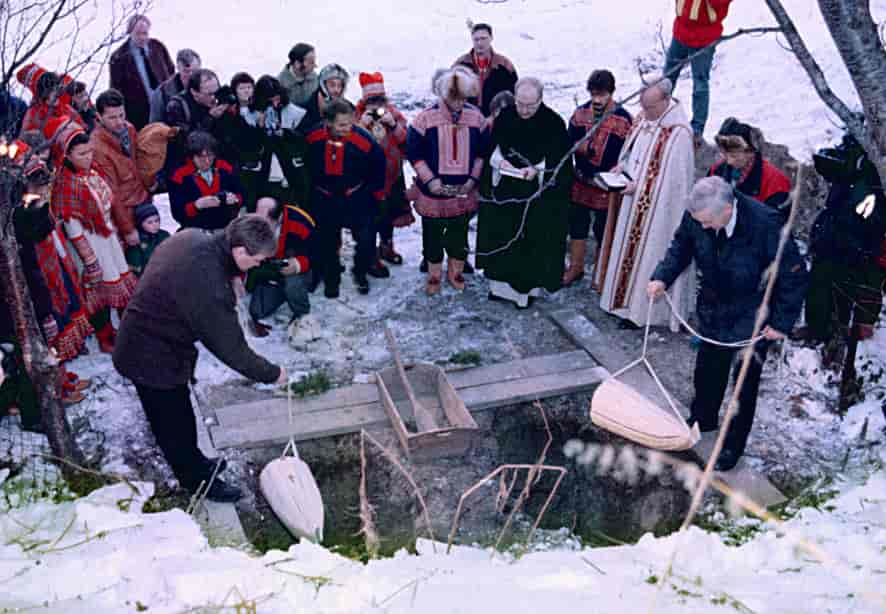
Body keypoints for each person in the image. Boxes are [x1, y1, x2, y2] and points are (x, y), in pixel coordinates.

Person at [113, 215, 288, 502]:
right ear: (241, 251)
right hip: (149, 357)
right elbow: (233, 350)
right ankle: (196, 482)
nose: (259, 265)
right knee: (173, 424)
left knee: (181, 416)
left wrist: (230, 277)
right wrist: (272, 373)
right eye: (257, 260)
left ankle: (196, 460)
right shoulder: (208, 285)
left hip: (155, 339)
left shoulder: (193, 236)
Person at [648, 176, 807, 470]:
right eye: (699, 221)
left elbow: (793, 275)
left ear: (728, 209)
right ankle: (703, 418)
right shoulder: (699, 214)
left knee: (743, 385)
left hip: (753, 310)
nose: (703, 227)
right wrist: (662, 277)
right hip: (714, 303)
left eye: (708, 222)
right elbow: (681, 246)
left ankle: (732, 444)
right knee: (708, 367)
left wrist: (781, 323)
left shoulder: (767, 225)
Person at [598, 77, 695, 331]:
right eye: (643, 106)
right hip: (632, 203)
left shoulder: (678, 134)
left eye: (650, 107)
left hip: (658, 217)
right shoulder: (644, 118)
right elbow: (634, 151)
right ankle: (621, 304)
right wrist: (623, 165)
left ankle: (643, 313)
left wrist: (639, 188)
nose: (645, 112)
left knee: (650, 255)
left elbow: (674, 186)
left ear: (665, 100)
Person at [477, 77, 571, 308]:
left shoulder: (553, 123)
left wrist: (538, 169)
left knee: (530, 245)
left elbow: (560, 163)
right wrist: (501, 164)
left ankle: (526, 291)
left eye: (531, 105)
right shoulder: (505, 116)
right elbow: (493, 149)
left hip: (537, 198)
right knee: (503, 239)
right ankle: (500, 288)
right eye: (520, 104)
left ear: (540, 100)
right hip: (506, 194)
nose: (525, 110)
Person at [48, 119, 137, 353]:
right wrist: (90, 260)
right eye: (81, 154)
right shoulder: (67, 185)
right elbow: (73, 228)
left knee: (114, 284)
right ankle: (104, 335)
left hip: (106, 236)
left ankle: (119, 331)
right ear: (66, 156)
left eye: (89, 151)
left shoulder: (92, 173)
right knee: (97, 291)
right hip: (90, 244)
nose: (88, 157)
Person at [407, 67, 488, 295]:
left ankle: (456, 271)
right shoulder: (424, 119)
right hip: (433, 192)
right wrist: (430, 181)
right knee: (432, 236)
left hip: (463, 190)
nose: (459, 103)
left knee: (459, 234)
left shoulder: (476, 118)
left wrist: (473, 179)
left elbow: (483, 152)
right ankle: (434, 273)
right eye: (454, 98)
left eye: (463, 98)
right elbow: (414, 153)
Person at [306, 98, 386, 297]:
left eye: (350, 123)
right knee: (328, 242)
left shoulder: (364, 140)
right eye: (342, 125)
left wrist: (372, 195)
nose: (347, 128)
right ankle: (332, 278)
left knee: (366, 240)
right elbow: (305, 165)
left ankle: (360, 272)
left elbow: (378, 167)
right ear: (329, 123)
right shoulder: (313, 136)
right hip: (325, 200)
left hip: (356, 199)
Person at [564, 69, 633, 286]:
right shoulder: (579, 114)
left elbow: (629, 152)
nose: (597, 100)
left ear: (611, 93)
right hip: (581, 180)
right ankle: (575, 268)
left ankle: (603, 274)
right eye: (594, 94)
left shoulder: (623, 119)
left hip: (607, 186)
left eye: (602, 95)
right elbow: (568, 145)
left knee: (604, 230)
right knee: (577, 225)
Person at [355, 71, 414, 273]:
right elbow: (350, 144)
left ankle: (387, 247)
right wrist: (361, 125)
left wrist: (393, 124)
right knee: (371, 217)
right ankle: (370, 255)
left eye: (379, 102)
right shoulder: (356, 116)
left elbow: (406, 141)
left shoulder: (394, 114)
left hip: (393, 176)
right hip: (367, 178)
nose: (375, 107)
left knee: (388, 214)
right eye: (371, 102)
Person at [90, 88, 154, 249]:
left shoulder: (129, 129)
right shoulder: (97, 148)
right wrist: (128, 229)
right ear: (99, 117)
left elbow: (138, 164)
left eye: (121, 115)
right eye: (112, 117)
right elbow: (111, 192)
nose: (119, 122)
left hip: (144, 204)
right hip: (126, 211)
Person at [663, 0, 733, 145]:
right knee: (667, 78)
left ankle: (697, 129)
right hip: (681, 32)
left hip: (704, 37)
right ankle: (658, 112)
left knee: (700, 85)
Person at [246, 197, 316, 337]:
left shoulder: (301, 222)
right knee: (257, 310)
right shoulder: (252, 224)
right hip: (272, 272)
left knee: (292, 282)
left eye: (263, 221)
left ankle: (302, 316)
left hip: (299, 271)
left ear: (277, 218)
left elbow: (319, 254)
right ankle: (282, 292)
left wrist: (297, 265)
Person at [710, 117, 791, 219]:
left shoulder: (775, 182)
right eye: (725, 155)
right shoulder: (716, 171)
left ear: (751, 152)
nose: (729, 161)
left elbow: (776, 226)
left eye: (734, 156)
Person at [109, 14, 174, 130]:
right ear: (130, 32)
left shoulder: (158, 47)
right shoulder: (119, 57)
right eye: (138, 33)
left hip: (166, 108)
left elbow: (171, 71)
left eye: (145, 33)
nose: (142, 37)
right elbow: (116, 90)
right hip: (139, 115)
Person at [252, 75, 309, 208]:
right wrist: (260, 128)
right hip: (266, 171)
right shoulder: (253, 114)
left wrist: (285, 133)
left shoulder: (294, 112)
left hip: (290, 170)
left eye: (276, 98)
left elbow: (301, 142)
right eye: (270, 99)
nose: (274, 103)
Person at [164, 68, 237, 172]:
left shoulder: (218, 99)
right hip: (192, 165)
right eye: (209, 94)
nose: (214, 98)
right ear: (194, 92)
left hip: (219, 158)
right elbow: (187, 142)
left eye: (216, 92)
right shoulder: (177, 106)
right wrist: (210, 118)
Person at [168, 131, 243, 230]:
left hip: (225, 226)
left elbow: (242, 195)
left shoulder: (225, 167)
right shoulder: (179, 176)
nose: (207, 161)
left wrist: (235, 199)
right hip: (196, 229)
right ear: (191, 156)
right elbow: (178, 213)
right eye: (201, 157)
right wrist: (196, 205)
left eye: (210, 155)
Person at [453, 23, 518, 117]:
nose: (480, 43)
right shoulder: (460, 65)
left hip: (497, 120)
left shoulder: (505, 65)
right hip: (466, 120)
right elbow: (450, 95)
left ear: (491, 38)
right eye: (476, 39)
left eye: (483, 38)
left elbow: (514, 96)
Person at [17, 67, 85, 133]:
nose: (58, 92)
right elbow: (25, 137)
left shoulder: (66, 107)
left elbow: (85, 127)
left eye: (58, 88)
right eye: (52, 89)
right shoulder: (34, 115)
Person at [149, 48, 201, 124]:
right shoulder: (161, 93)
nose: (191, 76)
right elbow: (155, 127)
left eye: (195, 71)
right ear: (178, 68)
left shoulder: (209, 85)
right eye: (186, 71)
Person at [125, 202, 170, 276]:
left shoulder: (164, 235)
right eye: (150, 222)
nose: (155, 225)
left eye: (157, 220)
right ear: (140, 223)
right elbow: (136, 268)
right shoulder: (136, 241)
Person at [301, 63, 349, 131]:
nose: (336, 90)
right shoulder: (303, 113)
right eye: (332, 85)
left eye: (340, 86)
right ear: (323, 85)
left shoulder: (349, 109)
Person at [278, 43, 319, 108]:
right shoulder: (280, 84)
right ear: (297, 64)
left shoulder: (315, 78)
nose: (315, 66)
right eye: (311, 62)